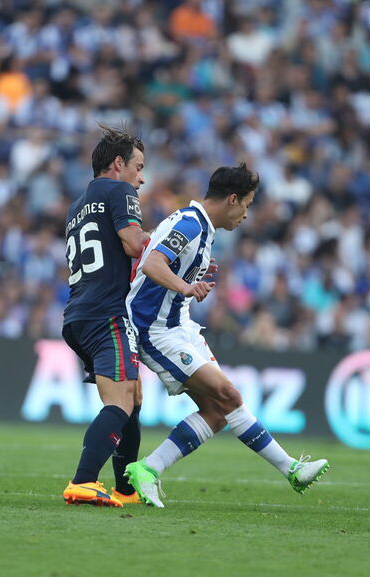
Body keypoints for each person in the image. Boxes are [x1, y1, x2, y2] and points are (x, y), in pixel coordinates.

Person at [124, 164, 329, 508]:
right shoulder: (190, 224)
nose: (246, 214)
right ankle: (292, 469)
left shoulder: (200, 227)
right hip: (154, 330)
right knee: (229, 395)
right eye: (246, 204)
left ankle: (148, 468)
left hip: (180, 326)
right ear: (232, 199)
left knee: (219, 411)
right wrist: (187, 285)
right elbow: (152, 264)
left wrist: (194, 271)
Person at [61, 125, 148, 508]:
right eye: (139, 166)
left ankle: (125, 490)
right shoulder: (120, 191)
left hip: (78, 313)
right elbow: (132, 244)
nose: (141, 177)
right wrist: (165, 241)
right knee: (121, 401)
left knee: (134, 396)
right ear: (118, 164)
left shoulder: (76, 206)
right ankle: (83, 481)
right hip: (106, 314)